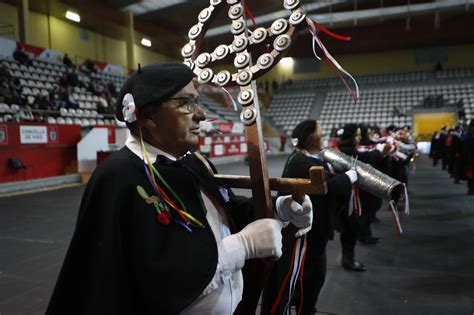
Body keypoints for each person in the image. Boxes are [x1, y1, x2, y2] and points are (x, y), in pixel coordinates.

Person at [46, 63, 313, 315]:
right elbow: (153, 278)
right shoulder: (117, 177)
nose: (202, 113)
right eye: (186, 103)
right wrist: (240, 247)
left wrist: (281, 209)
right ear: (148, 115)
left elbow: (226, 211)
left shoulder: (194, 161)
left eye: (196, 101)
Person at [261, 119, 354, 315]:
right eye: (320, 132)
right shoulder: (304, 163)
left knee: (311, 279)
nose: (323, 136)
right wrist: (349, 177)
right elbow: (328, 188)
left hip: (308, 233)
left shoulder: (301, 158)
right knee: (308, 280)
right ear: (310, 136)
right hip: (303, 237)